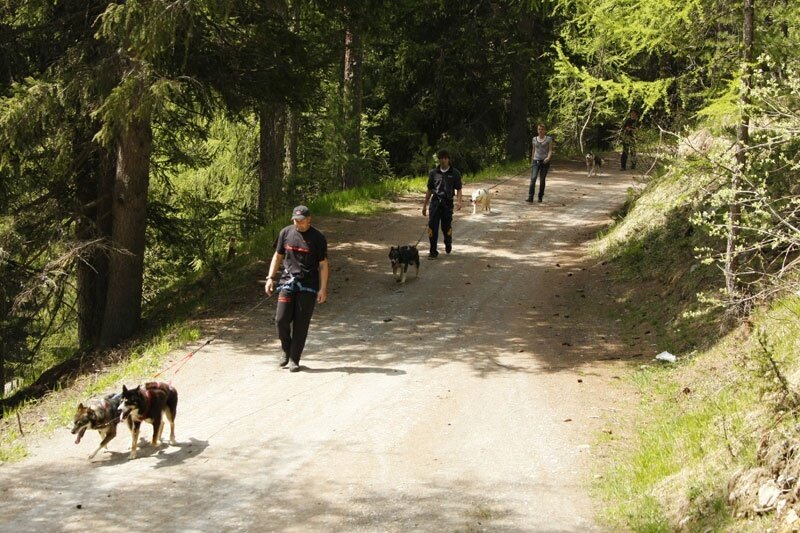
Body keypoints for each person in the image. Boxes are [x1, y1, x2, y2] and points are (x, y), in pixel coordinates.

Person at [264, 205, 329, 372]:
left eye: (301, 220)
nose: (297, 223)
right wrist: (270, 278)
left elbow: (323, 264)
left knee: (301, 323)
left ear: (309, 220)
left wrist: (323, 288)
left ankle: (294, 358)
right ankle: (286, 350)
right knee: (281, 319)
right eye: (295, 220)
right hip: (288, 281)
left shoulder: (318, 237)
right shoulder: (286, 233)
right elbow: (278, 256)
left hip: (308, 284)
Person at [422, 149, 463, 259]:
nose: (443, 160)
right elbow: (429, 190)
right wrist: (425, 205)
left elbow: (459, 189)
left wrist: (459, 202)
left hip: (447, 204)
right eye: (441, 158)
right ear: (439, 159)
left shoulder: (455, 173)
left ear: (448, 159)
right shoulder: (433, 173)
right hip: (435, 203)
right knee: (432, 227)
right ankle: (433, 251)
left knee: (446, 227)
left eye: (445, 158)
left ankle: (448, 242)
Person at [526, 124, 554, 203]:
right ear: (537, 130)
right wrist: (532, 160)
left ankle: (540, 197)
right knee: (533, 178)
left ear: (545, 130)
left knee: (542, 179)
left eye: (542, 129)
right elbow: (533, 150)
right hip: (536, 160)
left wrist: (548, 158)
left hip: (544, 161)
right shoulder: (534, 139)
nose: (540, 131)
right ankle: (530, 197)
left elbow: (550, 150)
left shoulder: (548, 139)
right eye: (539, 129)